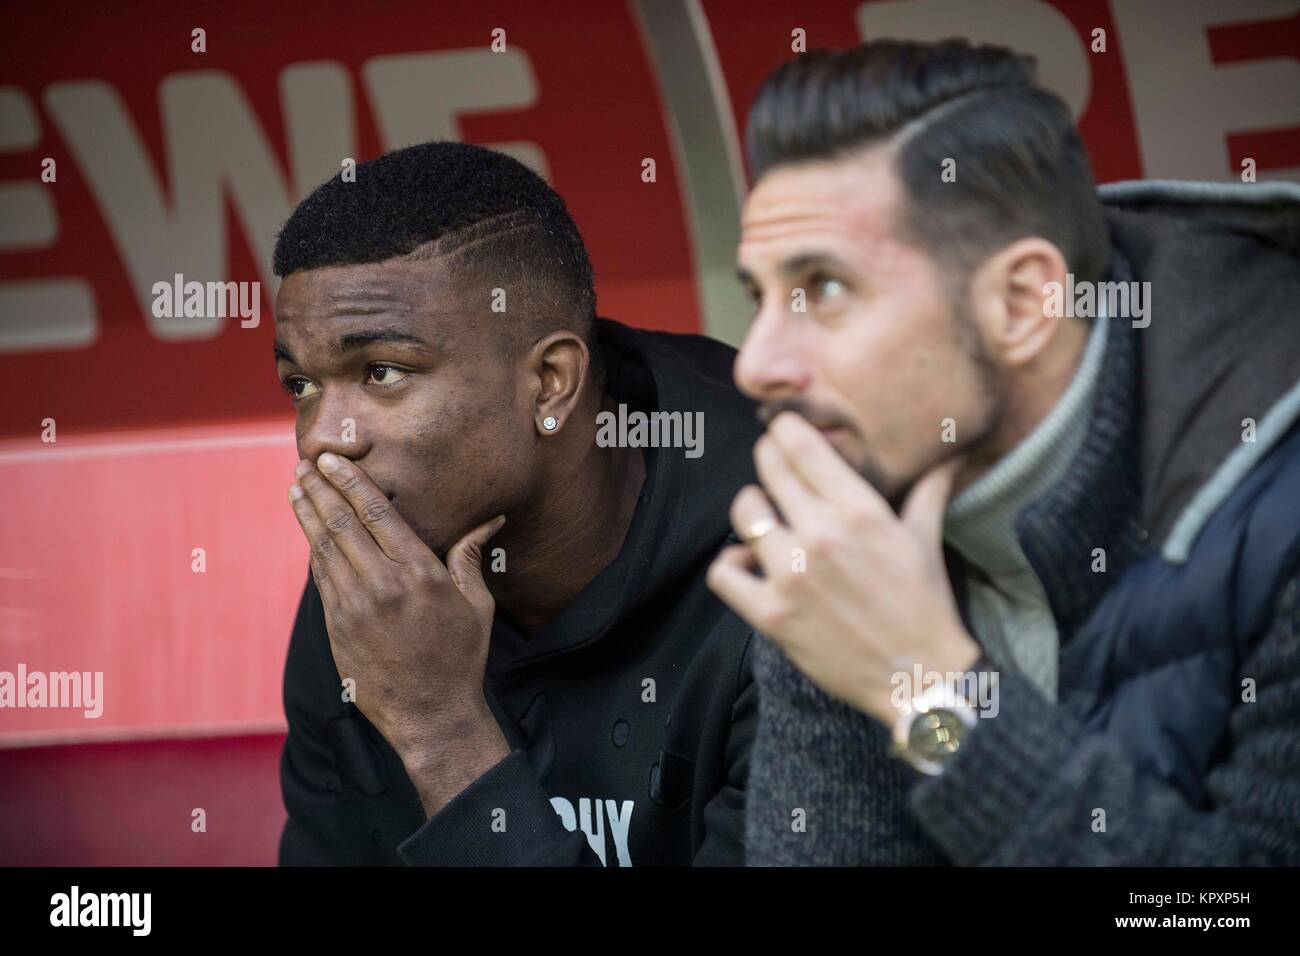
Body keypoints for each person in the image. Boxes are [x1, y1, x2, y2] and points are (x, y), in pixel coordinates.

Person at [707, 40, 1300, 865]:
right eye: (759, 296)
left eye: (825, 288)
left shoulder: (1279, 505)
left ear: (1023, 304)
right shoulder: (847, 516)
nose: (755, 362)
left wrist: (929, 692)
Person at [274, 141, 759, 866]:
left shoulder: (788, 577)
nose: (323, 442)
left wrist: (440, 729)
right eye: (302, 386)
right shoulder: (375, 592)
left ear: (551, 384)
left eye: (381, 371)